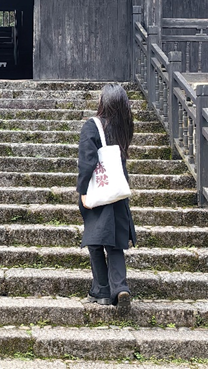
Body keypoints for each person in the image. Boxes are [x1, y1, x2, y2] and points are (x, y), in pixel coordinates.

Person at [76, 83, 136, 311]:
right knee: (115, 243)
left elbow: (87, 161)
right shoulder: (125, 126)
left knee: (94, 240)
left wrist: (82, 190)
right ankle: (120, 288)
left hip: (98, 190)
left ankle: (101, 290)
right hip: (117, 190)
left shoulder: (93, 126)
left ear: (104, 101)